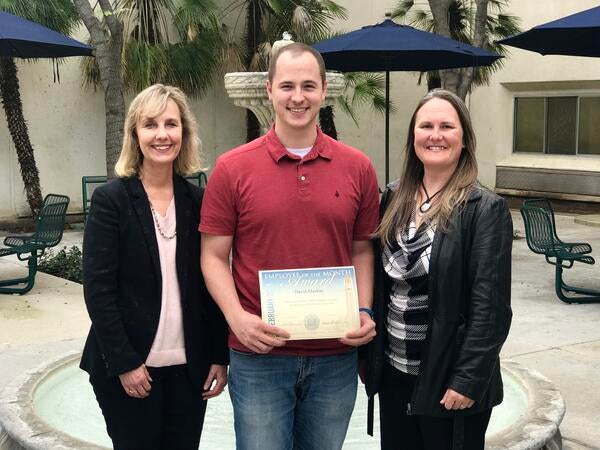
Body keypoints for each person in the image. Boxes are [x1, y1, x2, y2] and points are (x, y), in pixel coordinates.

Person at [200, 43, 380, 450]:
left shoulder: (358, 167)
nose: (297, 97)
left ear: (323, 91)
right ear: (268, 90)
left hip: (336, 354)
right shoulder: (232, 168)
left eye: (308, 86)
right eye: (287, 86)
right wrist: (236, 318)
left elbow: (362, 249)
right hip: (259, 354)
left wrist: (364, 310)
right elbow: (212, 257)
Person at [80, 83, 228, 450]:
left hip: (189, 369)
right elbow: (98, 290)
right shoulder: (110, 200)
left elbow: (212, 283)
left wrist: (218, 356)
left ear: (184, 133)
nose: (162, 134)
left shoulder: (198, 200)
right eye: (150, 125)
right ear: (135, 135)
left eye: (171, 124)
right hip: (129, 367)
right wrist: (125, 363)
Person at [364, 89, 513, 450]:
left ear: (464, 140)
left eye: (447, 126)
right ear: (413, 135)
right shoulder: (393, 198)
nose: (435, 135)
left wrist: (467, 379)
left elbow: (490, 310)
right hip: (396, 374)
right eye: (426, 125)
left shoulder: (483, 209)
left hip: (449, 381)